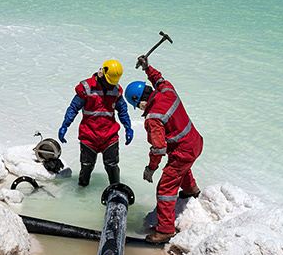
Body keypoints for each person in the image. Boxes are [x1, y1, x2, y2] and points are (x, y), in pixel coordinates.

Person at [125, 55, 203, 244]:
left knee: (165, 188)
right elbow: (159, 79)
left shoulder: (153, 118)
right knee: (180, 167)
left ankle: (165, 230)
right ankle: (191, 190)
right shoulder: (167, 91)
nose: (140, 108)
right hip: (196, 142)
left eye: (137, 105)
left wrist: (151, 168)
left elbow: (159, 148)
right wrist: (147, 68)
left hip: (183, 151)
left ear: (138, 100)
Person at [59, 59, 134, 187]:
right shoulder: (86, 88)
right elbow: (73, 108)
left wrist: (128, 127)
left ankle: (116, 192)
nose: (108, 84)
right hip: (89, 136)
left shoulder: (116, 89)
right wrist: (65, 125)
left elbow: (122, 109)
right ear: (101, 72)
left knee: (112, 167)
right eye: (107, 81)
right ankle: (81, 196)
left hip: (110, 136)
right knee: (86, 168)